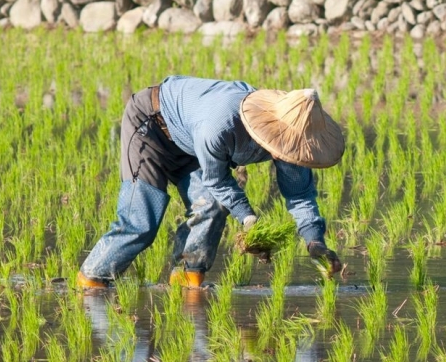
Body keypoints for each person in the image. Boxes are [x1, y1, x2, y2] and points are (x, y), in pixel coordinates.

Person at [76, 76, 345, 289]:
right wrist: (249, 220)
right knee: (141, 222)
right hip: (153, 127)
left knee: (213, 205)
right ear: (272, 126)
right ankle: (90, 282)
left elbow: (300, 194)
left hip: (192, 141)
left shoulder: (293, 141)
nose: (288, 151)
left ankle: (186, 281)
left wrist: (314, 241)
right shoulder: (222, 124)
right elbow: (216, 179)